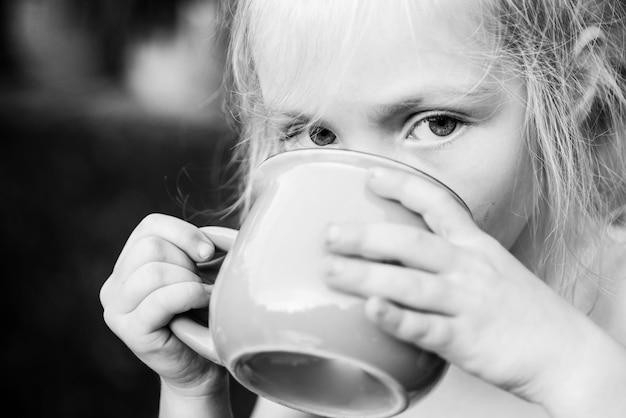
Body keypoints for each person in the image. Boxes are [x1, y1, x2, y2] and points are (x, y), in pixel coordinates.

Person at [99, 0, 626, 417]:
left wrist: (570, 365)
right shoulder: (325, 338)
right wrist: (193, 393)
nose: (371, 192)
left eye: (437, 123)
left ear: (572, 85)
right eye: (316, 134)